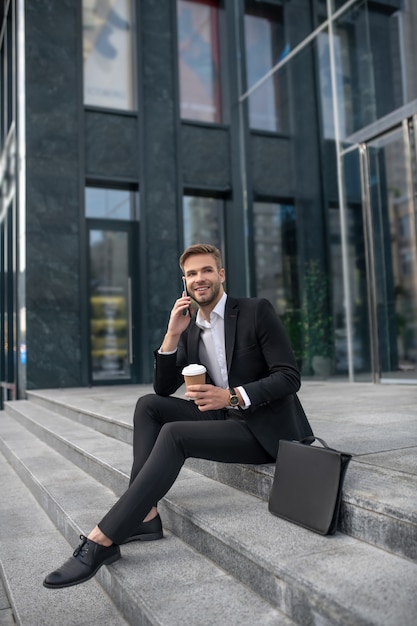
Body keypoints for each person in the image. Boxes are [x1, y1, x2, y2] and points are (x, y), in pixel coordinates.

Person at [43, 243, 313, 589]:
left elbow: (289, 377)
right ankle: (145, 513)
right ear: (184, 282)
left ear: (221, 275)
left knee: (174, 435)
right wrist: (171, 334)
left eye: (206, 270)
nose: (199, 279)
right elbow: (162, 389)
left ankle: (100, 542)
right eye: (191, 274)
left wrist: (230, 396)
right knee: (148, 406)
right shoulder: (188, 327)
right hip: (221, 418)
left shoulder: (255, 311)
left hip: (262, 429)